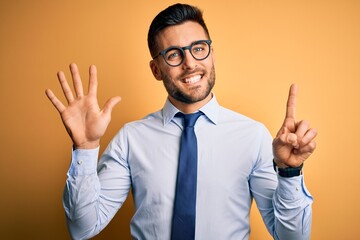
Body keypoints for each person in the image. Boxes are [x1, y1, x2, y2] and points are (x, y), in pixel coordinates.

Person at [45, 3, 317, 240]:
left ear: (211, 54)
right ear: (156, 69)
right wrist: (87, 146)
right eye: (174, 54)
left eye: (199, 48)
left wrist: (289, 172)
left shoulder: (253, 136)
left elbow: (291, 236)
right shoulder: (131, 139)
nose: (190, 63)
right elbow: (82, 228)